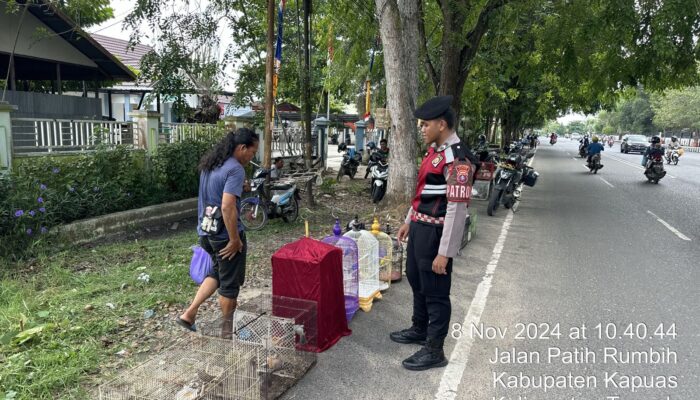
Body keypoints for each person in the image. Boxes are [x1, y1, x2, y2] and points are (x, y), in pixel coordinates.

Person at [393, 95, 479, 371]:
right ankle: (419, 328)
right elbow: (422, 192)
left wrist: (445, 252)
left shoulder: (458, 160)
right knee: (417, 281)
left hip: (437, 234)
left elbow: (456, 208)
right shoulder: (435, 152)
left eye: (425, 124)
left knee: (436, 291)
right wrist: (409, 219)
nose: (421, 128)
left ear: (442, 124)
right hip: (420, 228)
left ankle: (434, 349)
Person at [176, 128, 259, 336]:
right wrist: (234, 240)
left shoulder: (211, 165)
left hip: (206, 233)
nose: (252, 157)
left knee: (217, 273)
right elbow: (227, 207)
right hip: (224, 236)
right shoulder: (236, 169)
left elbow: (213, 194)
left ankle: (189, 314)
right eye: (252, 151)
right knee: (229, 286)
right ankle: (227, 333)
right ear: (242, 148)